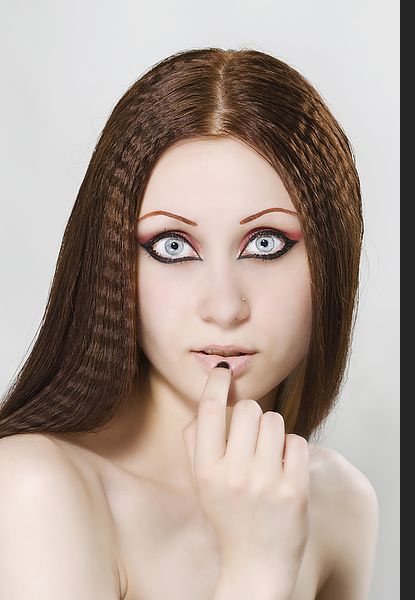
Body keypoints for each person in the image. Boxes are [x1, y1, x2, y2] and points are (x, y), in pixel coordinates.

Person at [0, 47, 378, 599]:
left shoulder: (337, 500)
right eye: (173, 246)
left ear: (333, 259)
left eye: (266, 244)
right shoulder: (34, 488)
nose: (224, 308)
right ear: (111, 261)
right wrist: (257, 566)